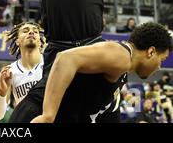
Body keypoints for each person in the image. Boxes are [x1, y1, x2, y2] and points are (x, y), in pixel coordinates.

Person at [30, 22, 172, 123]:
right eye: (162, 59)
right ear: (151, 51)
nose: (159, 67)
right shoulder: (123, 56)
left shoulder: (123, 67)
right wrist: (48, 115)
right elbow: (65, 58)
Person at [0, 22, 44, 121]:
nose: (31, 32)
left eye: (35, 31)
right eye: (25, 31)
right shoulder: (10, 71)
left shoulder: (50, 63)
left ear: (39, 42)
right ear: (17, 41)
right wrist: (2, 91)